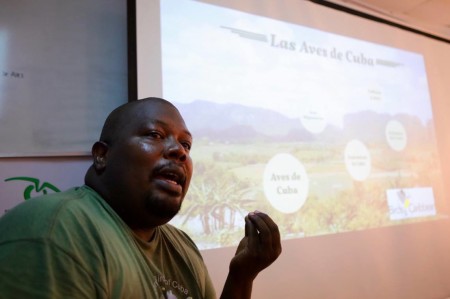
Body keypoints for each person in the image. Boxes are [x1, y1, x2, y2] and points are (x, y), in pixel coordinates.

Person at [0, 97, 281, 299]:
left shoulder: (182, 246)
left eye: (186, 144)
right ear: (102, 155)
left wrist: (242, 276)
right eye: (155, 134)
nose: (180, 152)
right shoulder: (54, 231)